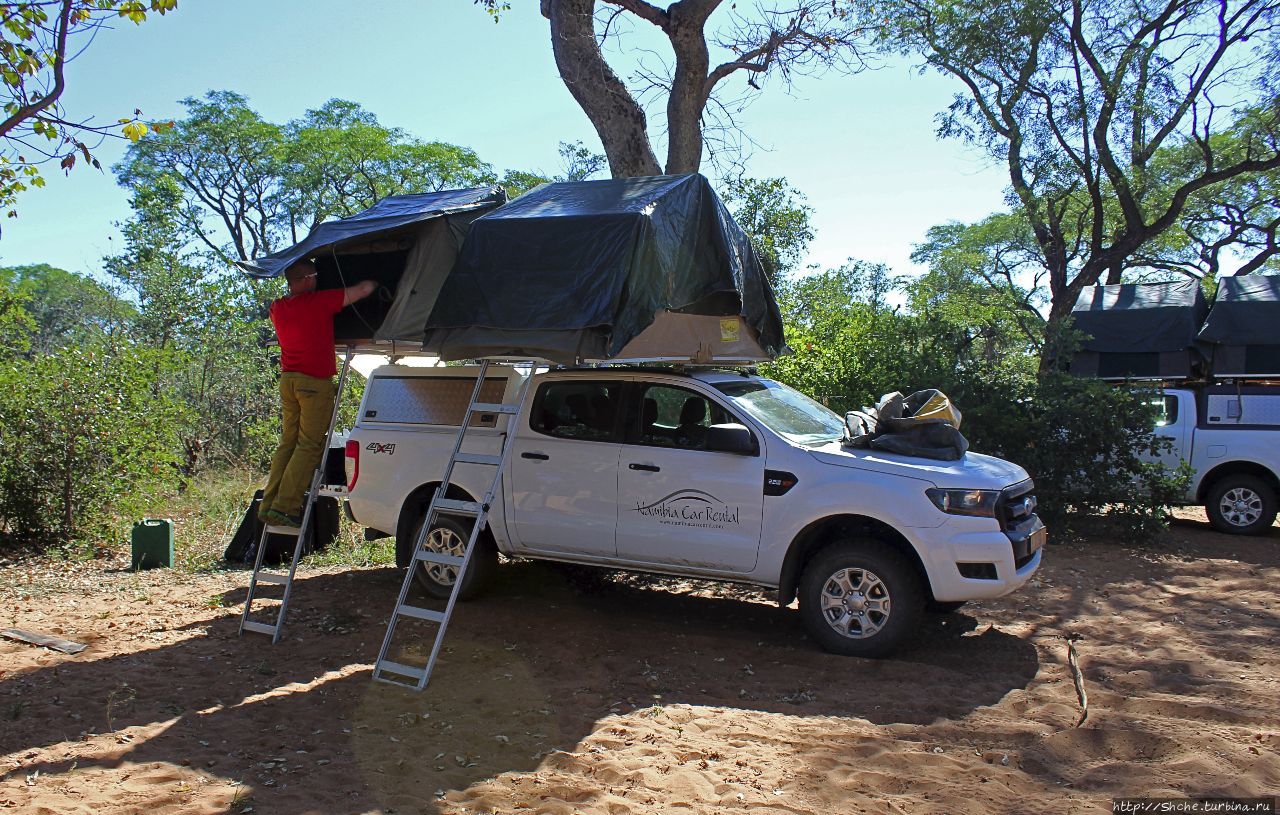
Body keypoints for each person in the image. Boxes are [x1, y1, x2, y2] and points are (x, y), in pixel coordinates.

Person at [259, 259, 375, 527]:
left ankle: (268, 504)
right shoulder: (318, 302)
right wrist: (376, 282)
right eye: (313, 276)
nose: (315, 280)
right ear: (306, 279)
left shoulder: (277, 308)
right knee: (309, 445)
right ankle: (285, 507)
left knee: (288, 443)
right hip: (313, 383)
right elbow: (362, 290)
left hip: (288, 381)